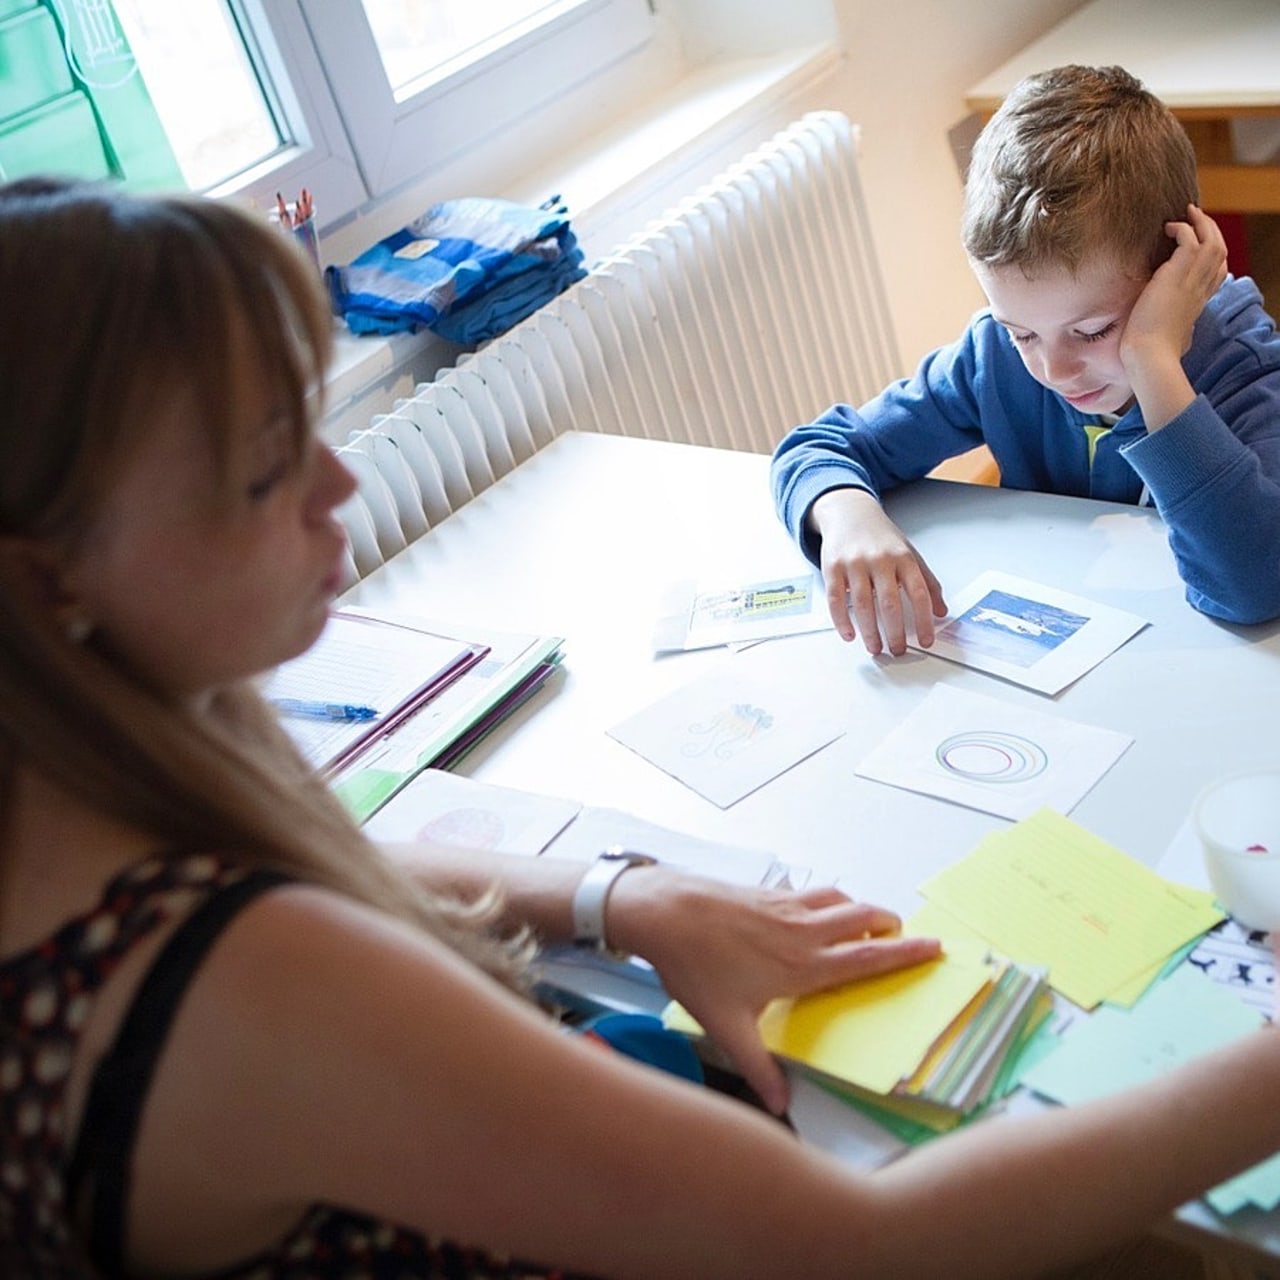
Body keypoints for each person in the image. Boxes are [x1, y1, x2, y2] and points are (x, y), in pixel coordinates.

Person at [2, 176, 1280, 1280]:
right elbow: (864, 1246)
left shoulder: (79, 790)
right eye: (265, 464)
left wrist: (624, 898)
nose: (340, 484)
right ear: (48, 574)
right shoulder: (247, 975)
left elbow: (335, 848)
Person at [771, 64, 1280, 657]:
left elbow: (1253, 586)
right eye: (1023, 332)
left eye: (1092, 331)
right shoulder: (993, 354)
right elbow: (823, 447)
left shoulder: (1241, 366)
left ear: (1177, 270)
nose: (1055, 370)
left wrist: (1152, 359)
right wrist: (846, 517)